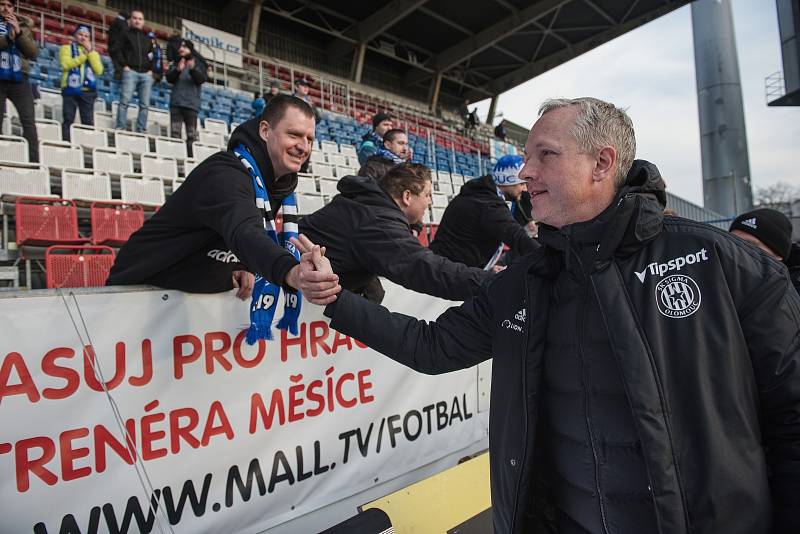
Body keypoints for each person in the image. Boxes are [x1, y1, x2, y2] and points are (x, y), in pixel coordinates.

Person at [299, 97, 800, 534]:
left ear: (601, 163)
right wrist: (337, 300)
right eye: (526, 156)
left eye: (546, 155)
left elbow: (790, 415)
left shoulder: (722, 264)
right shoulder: (525, 282)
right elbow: (430, 347)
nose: (524, 172)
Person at [107, 96, 335, 320]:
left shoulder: (275, 186)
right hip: (134, 300)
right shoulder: (225, 173)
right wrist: (292, 272)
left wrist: (243, 264)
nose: (303, 147)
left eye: (310, 139)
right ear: (265, 131)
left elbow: (231, 237)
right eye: (293, 134)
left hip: (181, 309)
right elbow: (244, 231)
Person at [298, 162, 490, 304]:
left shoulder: (367, 206)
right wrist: (492, 282)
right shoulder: (378, 221)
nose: (430, 202)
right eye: (427, 195)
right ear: (407, 196)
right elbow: (425, 269)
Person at [430, 154, 538, 270]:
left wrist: (487, 269)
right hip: (447, 274)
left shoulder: (480, 195)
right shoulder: (489, 204)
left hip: (446, 268)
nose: (525, 189)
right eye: (521, 183)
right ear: (506, 181)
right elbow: (517, 237)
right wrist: (548, 259)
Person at [0, 0, 38, 162]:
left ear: (13, 8)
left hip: (19, 76)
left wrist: (18, 33)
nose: (5, 8)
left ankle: (33, 162)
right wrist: (9, 37)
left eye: (9, 5)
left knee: (28, 120)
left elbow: (32, 52)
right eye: (2, 4)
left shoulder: (23, 25)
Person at [729, 207, 799, 295]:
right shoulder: (716, 281)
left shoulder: (791, 297)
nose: (737, 251)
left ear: (777, 255)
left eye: (750, 245)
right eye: (732, 242)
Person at [111, 9, 154, 132]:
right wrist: (124, 65)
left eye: (140, 19)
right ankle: (121, 127)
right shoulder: (124, 34)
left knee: (145, 105)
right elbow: (116, 50)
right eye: (135, 18)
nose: (137, 21)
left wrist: (151, 69)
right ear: (130, 20)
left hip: (146, 74)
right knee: (124, 101)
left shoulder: (147, 38)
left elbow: (152, 55)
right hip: (130, 72)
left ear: (143, 21)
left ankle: (141, 129)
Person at [59, 25, 103, 141]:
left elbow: (99, 70)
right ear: (75, 36)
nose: (83, 38)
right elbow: (65, 65)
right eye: (80, 35)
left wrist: (90, 53)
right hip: (70, 89)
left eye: (86, 36)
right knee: (68, 118)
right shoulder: (66, 48)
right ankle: (67, 143)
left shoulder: (93, 53)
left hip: (88, 92)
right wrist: (83, 56)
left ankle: (86, 146)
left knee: (87, 122)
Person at [165, 38, 207, 157]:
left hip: (191, 105)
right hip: (176, 103)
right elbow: (169, 78)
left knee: (191, 136)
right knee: (175, 134)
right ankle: (175, 158)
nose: (181, 49)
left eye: (184, 47)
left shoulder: (199, 64)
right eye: (181, 47)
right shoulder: (175, 62)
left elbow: (201, 80)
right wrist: (178, 70)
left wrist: (193, 69)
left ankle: (190, 159)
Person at [107, 11, 129, 81]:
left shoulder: (114, 22)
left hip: (112, 47)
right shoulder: (123, 24)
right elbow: (125, 36)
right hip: (118, 49)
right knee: (119, 69)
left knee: (115, 67)